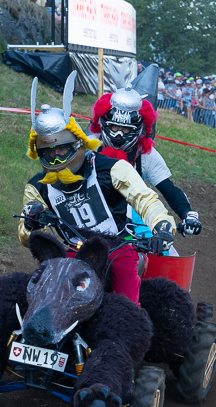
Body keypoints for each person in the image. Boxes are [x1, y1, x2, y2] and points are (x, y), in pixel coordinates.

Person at [20, 73, 176, 305]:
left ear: (75, 143)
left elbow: (146, 200)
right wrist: (31, 222)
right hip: (73, 251)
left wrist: (162, 225)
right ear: (39, 153)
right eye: (48, 153)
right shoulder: (37, 187)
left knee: (125, 304)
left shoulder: (112, 168)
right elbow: (24, 233)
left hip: (119, 247)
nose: (56, 157)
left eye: (61, 149)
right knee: (46, 299)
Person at [89, 86, 203, 238]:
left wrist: (188, 214)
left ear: (137, 129)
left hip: (134, 224)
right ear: (104, 124)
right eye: (114, 127)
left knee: (166, 254)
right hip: (91, 219)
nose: (118, 134)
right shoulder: (87, 148)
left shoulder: (146, 154)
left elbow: (169, 190)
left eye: (125, 129)